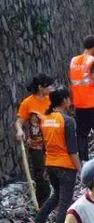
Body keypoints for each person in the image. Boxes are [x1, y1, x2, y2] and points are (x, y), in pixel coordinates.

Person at [36, 89, 81, 223]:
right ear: (64, 101)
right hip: (65, 166)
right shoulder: (67, 121)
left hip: (50, 164)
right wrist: (80, 170)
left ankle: (39, 220)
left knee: (56, 196)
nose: (70, 101)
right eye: (69, 99)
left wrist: (45, 167)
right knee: (64, 203)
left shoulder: (45, 120)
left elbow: (45, 146)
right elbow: (72, 151)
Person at [14, 74, 54, 207]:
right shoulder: (27, 102)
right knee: (40, 172)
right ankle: (42, 203)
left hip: (52, 141)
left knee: (52, 170)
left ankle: (53, 200)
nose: (51, 88)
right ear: (40, 87)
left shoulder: (51, 100)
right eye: (48, 86)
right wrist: (19, 131)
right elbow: (19, 122)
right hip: (36, 144)